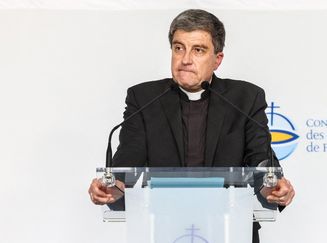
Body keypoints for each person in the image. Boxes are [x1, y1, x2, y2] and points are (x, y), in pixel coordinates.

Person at [88, 9, 295, 242]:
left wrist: (273, 185)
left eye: (198, 50)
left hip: (230, 230)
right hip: (162, 231)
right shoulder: (144, 98)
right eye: (179, 48)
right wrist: (111, 187)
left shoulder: (245, 98)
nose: (185, 59)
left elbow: (261, 157)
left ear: (217, 60)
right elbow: (127, 160)